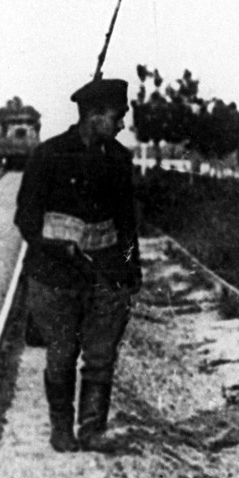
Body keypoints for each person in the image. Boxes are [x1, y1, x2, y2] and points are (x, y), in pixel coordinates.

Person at [14, 76, 143, 452]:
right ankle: (61, 429)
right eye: (117, 116)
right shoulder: (48, 156)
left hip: (105, 275)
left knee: (101, 356)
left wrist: (131, 270)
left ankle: (92, 429)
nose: (121, 124)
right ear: (94, 115)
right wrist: (56, 248)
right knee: (62, 354)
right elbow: (25, 219)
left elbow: (126, 224)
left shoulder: (118, 160)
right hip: (54, 275)